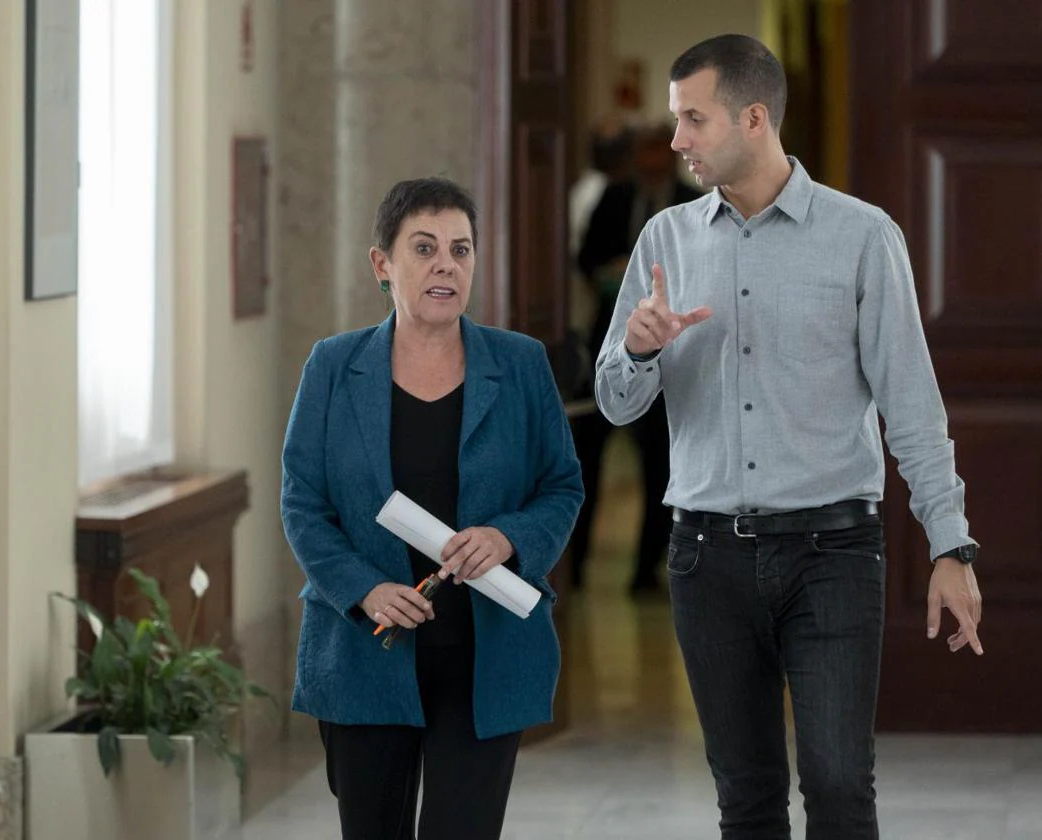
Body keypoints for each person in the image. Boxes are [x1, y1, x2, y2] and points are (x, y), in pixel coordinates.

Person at [594, 34, 983, 840]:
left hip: (832, 556)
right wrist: (637, 349)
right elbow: (615, 405)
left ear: (754, 117)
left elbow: (913, 406)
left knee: (840, 786)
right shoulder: (664, 241)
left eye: (692, 120)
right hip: (706, 558)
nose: (676, 141)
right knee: (747, 795)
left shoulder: (863, 237)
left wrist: (951, 545)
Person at [281, 177, 583, 840]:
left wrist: (507, 538)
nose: (446, 264)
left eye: (461, 249)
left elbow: (562, 485)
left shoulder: (521, 363)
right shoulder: (332, 367)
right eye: (424, 248)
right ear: (381, 264)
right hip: (367, 651)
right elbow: (303, 501)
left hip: (486, 655)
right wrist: (365, 590)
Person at [570, 124, 700, 594]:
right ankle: (574, 566)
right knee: (584, 458)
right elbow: (584, 255)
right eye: (642, 151)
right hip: (610, 337)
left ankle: (647, 569)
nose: (651, 160)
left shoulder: (691, 200)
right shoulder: (614, 196)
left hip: (671, 349)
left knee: (659, 465)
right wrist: (611, 270)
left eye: (656, 150)